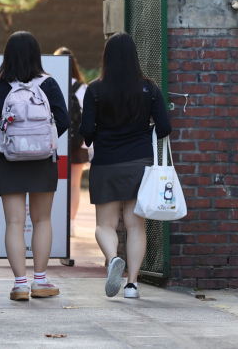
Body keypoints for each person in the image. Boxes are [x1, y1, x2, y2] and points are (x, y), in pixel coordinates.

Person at [79, 32, 172, 299]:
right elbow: (165, 127)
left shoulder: (95, 89)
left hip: (107, 163)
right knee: (135, 226)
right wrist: (143, 132)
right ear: (134, 57)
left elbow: (86, 130)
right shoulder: (149, 89)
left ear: (106, 57)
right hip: (140, 164)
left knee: (105, 225)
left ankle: (112, 259)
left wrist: (98, 136)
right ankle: (131, 284)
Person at [0, 31, 69, 301]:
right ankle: (40, 281)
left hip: (9, 161)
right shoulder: (49, 84)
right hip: (43, 161)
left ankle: (20, 284)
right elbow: (64, 121)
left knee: (14, 223)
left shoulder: (0, 87)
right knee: (42, 220)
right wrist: (42, 142)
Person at [53, 47, 88, 237]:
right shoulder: (82, 89)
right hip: (78, 143)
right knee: (74, 184)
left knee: (56, 182)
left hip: (56, 140)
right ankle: (71, 224)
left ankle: (55, 221)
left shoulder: (52, 84)